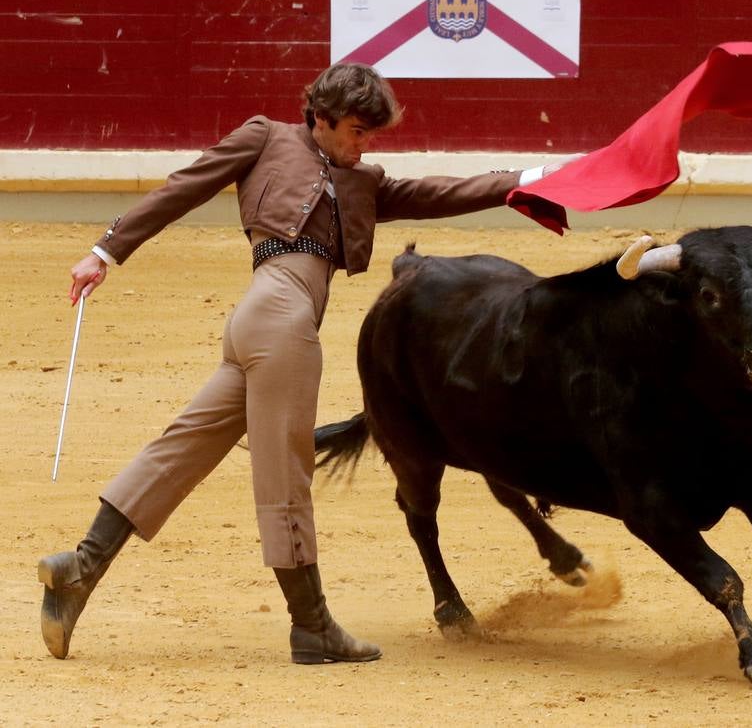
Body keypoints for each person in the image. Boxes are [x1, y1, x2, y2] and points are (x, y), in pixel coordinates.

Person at [39, 62, 561, 665]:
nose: (363, 145)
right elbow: (186, 185)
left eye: (371, 135)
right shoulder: (265, 136)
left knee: (180, 447)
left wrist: (532, 177)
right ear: (321, 116)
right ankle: (311, 626)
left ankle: (79, 568)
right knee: (287, 475)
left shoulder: (365, 180)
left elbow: (443, 193)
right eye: (357, 132)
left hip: (261, 322)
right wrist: (106, 250)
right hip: (282, 317)